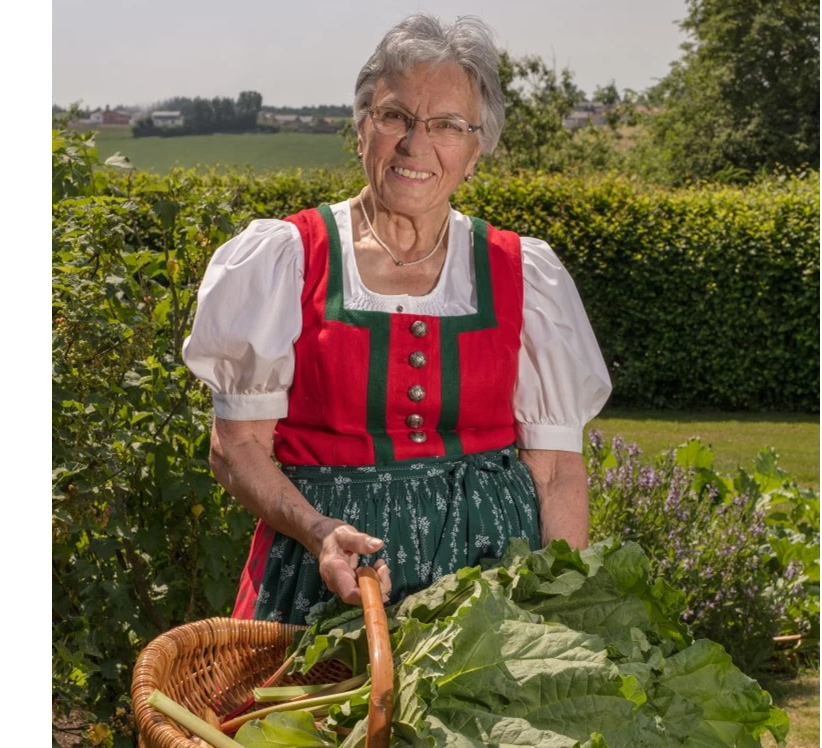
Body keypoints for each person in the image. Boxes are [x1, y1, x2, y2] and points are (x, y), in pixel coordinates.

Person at [182, 12, 612, 625]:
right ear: (361, 128)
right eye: (395, 116)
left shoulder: (524, 273)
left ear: (475, 150)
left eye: (447, 125)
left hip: (490, 591)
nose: (416, 143)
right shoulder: (288, 258)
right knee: (304, 720)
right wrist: (317, 531)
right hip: (324, 578)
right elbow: (236, 447)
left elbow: (558, 470)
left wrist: (563, 610)